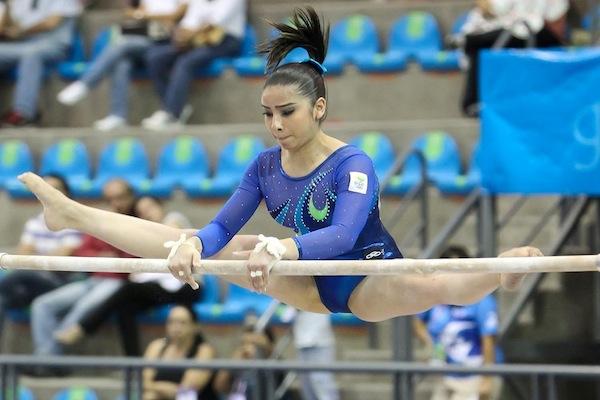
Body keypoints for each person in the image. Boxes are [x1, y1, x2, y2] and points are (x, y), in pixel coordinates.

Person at [17, 6, 542, 325]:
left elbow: (344, 233)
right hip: (303, 281)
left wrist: (284, 246)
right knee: (203, 242)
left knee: (430, 282)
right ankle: (73, 214)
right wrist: (198, 244)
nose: (274, 124)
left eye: (285, 112)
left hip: (364, 276)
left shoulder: (352, 164)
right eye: (267, 113)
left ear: (318, 108)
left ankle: (502, 272)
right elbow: (223, 225)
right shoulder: (265, 168)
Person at [53, 196, 199, 356]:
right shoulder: (145, 236)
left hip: (187, 285)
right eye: (142, 213)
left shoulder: (173, 219)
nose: (147, 214)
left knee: (127, 289)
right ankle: (133, 363)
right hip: (160, 288)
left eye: (150, 208)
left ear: (161, 207)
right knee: (125, 308)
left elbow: (169, 236)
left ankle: (83, 327)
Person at [28, 179, 135, 362]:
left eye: (120, 198)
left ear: (131, 197)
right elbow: (81, 250)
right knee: (41, 305)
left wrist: (115, 252)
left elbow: (136, 258)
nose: (115, 203)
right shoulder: (101, 218)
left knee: (82, 307)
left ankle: (45, 361)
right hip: (93, 279)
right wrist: (100, 256)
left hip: (117, 281)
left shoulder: (139, 222)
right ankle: (48, 361)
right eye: (110, 199)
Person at [56, 0, 188, 131]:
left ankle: (85, 83)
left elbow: (176, 15)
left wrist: (146, 15)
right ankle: (118, 116)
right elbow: (131, 13)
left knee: (122, 43)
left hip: (169, 37)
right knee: (122, 60)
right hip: (148, 31)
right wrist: (145, 15)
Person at [0, 175, 81, 345]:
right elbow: (21, 258)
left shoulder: (75, 223)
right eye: (43, 188)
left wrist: (34, 258)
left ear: (65, 193)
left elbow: (59, 260)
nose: (47, 193)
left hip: (60, 282)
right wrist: (38, 259)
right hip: (30, 281)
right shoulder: (34, 223)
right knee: (2, 300)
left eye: (54, 189)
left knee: (19, 276)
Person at [141, 0, 247, 130]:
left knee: (186, 61)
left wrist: (191, 34)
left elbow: (214, 24)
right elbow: (188, 23)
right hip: (197, 39)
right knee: (156, 58)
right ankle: (171, 107)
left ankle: (173, 115)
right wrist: (181, 36)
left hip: (226, 40)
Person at [414, 246, 502, 400]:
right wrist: (431, 345)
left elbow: (488, 340)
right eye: (448, 271)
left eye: (457, 270)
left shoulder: (482, 300)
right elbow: (418, 323)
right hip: (445, 373)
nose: (453, 277)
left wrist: (487, 378)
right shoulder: (435, 298)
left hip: (475, 374)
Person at [460, 0, 568, 117]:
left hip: (535, 33)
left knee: (473, 42)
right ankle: (477, 100)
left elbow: (557, 18)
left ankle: (472, 100)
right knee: (473, 41)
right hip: (516, 30)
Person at [0, 0, 82, 127]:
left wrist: (21, 32)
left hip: (53, 45)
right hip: (23, 43)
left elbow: (51, 23)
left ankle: (23, 113)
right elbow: (12, 26)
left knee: (32, 55)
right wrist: (8, 6)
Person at [143, 304, 218, 400]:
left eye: (182, 323)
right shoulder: (157, 346)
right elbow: (144, 383)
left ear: (195, 326)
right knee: (149, 397)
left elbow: (187, 390)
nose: (176, 327)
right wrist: (167, 389)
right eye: (171, 322)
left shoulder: (204, 350)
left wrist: (154, 388)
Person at [213, 315, 282, 400]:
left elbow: (279, 363)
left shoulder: (271, 361)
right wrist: (233, 362)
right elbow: (219, 386)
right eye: (245, 343)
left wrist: (265, 346)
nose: (249, 347)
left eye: (254, 344)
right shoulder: (239, 360)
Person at [291, 309, 339, 400]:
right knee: (307, 384)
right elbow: (285, 315)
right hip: (302, 342)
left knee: (321, 381)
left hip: (320, 343)